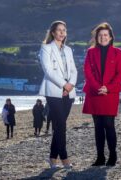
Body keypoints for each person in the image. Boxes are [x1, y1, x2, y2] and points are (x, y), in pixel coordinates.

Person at [83, 22, 121, 166]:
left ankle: (112, 156)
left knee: (109, 124)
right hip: (94, 93)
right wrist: (97, 87)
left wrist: (107, 88)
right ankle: (100, 157)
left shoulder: (118, 52)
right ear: (97, 37)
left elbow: (120, 74)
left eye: (106, 35)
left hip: (110, 93)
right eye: (100, 35)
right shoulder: (90, 52)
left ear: (111, 37)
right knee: (98, 125)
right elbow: (87, 72)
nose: (103, 37)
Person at [39, 20, 77, 169]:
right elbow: (48, 71)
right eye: (59, 30)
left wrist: (70, 85)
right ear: (53, 32)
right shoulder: (46, 48)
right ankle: (65, 158)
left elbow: (74, 70)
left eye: (64, 30)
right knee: (61, 125)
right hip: (54, 92)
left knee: (59, 126)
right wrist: (63, 84)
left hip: (69, 91)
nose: (62, 32)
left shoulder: (68, 50)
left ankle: (53, 158)